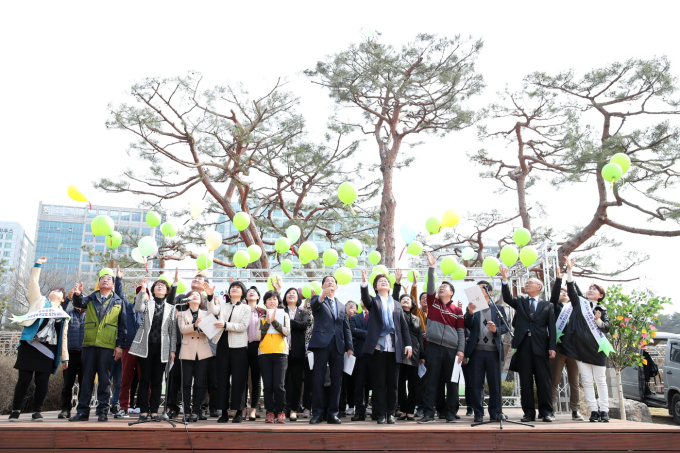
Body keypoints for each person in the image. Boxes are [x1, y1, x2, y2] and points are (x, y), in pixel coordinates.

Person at [9, 257, 69, 422]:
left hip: (48, 350)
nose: (56, 290)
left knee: (42, 381)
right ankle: (15, 410)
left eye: (60, 291)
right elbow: (33, 283)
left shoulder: (63, 315)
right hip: (30, 345)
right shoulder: (39, 301)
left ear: (63, 299)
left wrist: (65, 357)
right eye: (54, 288)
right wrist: (38, 265)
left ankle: (37, 411)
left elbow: (63, 337)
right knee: (24, 379)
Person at [500, 266, 556, 423]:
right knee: (525, 381)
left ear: (539, 287)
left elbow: (551, 327)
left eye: (530, 282)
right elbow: (508, 298)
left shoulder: (547, 305)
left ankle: (546, 412)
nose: (527, 284)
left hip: (541, 346)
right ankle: (529, 413)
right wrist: (505, 281)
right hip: (523, 345)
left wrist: (552, 346)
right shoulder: (521, 302)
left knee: (543, 380)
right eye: (526, 282)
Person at [69, 271, 127, 422]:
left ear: (113, 285)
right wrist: (77, 294)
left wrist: (119, 345)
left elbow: (123, 326)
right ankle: (82, 411)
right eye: (103, 279)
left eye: (109, 279)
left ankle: (102, 411)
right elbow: (78, 303)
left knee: (105, 379)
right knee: (86, 379)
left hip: (107, 345)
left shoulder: (118, 301)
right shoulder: (90, 298)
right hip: (89, 344)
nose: (105, 280)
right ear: (99, 283)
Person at [417, 253, 465, 424]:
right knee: (431, 383)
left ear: (451, 292)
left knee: (452, 383)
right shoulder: (433, 303)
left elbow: (461, 332)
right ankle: (429, 413)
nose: (441, 287)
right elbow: (430, 286)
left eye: (445, 286)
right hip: (434, 347)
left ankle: (450, 413)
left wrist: (461, 350)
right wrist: (431, 267)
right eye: (441, 286)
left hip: (452, 350)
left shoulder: (458, 311)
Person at [359, 270, 412, 424]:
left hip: (394, 348)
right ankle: (380, 414)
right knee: (379, 383)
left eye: (386, 281)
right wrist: (363, 282)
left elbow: (403, 327)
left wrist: (408, 344)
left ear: (389, 286)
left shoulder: (396, 304)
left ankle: (391, 413)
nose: (384, 282)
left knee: (393, 384)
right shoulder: (373, 302)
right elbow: (365, 298)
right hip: (378, 349)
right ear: (375, 287)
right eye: (380, 281)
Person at [562, 258, 611, 422]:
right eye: (589, 288)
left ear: (601, 295)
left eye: (595, 289)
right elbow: (570, 288)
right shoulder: (579, 303)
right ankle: (593, 411)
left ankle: (604, 411)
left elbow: (607, 328)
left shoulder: (602, 309)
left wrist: (597, 319)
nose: (591, 290)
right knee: (587, 382)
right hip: (580, 350)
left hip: (597, 349)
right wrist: (569, 271)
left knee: (601, 381)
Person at [130, 273, 178, 421]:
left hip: (162, 348)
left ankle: (155, 411)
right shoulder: (148, 303)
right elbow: (138, 307)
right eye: (157, 285)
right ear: (154, 289)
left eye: (163, 285)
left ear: (167, 291)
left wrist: (172, 350)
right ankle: (143, 411)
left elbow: (172, 331)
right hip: (146, 346)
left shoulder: (171, 308)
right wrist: (143, 290)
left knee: (157, 381)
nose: (160, 286)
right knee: (145, 380)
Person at [307, 275, 354, 424]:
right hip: (321, 343)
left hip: (338, 345)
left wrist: (350, 347)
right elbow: (314, 307)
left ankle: (333, 413)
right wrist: (322, 295)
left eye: (333, 281)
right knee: (318, 379)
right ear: (322, 286)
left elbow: (346, 328)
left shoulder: (341, 305)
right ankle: (317, 413)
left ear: (337, 287)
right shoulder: (316, 299)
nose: (330, 283)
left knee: (336, 380)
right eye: (327, 281)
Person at [167, 274, 213, 419]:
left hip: (203, 349)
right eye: (194, 278)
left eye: (199, 279)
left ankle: (198, 409)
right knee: (180, 381)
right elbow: (170, 304)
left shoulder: (208, 305)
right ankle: (177, 408)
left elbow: (213, 323)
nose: (195, 280)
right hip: (184, 346)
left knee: (201, 382)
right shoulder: (181, 301)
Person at [463, 280, 509, 423]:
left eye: (481, 289)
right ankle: (478, 413)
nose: (478, 291)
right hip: (476, 352)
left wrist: (496, 330)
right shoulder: (473, 307)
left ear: (489, 292)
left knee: (495, 384)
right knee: (476, 384)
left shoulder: (499, 309)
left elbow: (506, 328)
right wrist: (469, 313)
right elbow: (467, 325)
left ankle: (495, 412)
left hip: (493, 351)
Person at [209, 280, 250, 423]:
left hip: (239, 347)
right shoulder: (222, 305)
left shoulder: (246, 308)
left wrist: (226, 324)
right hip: (222, 345)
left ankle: (239, 411)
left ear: (243, 293)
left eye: (238, 288)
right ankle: (224, 412)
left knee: (239, 380)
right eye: (233, 287)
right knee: (221, 379)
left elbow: (243, 326)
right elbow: (212, 311)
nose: (235, 289)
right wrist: (209, 297)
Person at [549, 266, 584, 421]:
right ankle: (551, 410)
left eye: (566, 291)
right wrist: (558, 280)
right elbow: (554, 296)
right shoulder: (553, 307)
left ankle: (575, 410)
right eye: (561, 291)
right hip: (558, 348)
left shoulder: (575, 308)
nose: (564, 293)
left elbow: (581, 298)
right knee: (554, 381)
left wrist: (573, 283)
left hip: (574, 350)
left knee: (574, 382)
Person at [178, 290, 213, 422]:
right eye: (192, 295)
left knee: (200, 383)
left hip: (203, 351)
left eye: (198, 295)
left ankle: (196, 411)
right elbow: (182, 329)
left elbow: (210, 331)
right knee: (186, 383)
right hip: (187, 351)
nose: (195, 296)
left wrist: (202, 326)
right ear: (187, 299)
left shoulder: (206, 314)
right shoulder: (181, 313)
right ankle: (186, 411)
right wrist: (195, 325)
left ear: (201, 300)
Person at [257, 290, 291, 423]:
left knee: (279, 385)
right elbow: (258, 336)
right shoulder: (261, 318)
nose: (272, 301)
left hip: (280, 353)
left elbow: (286, 332)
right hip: (264, 353)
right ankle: (270, 412)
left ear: (278, 302)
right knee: (268, 385)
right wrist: (267, 322)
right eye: (269, 299)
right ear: (265, 302)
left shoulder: (284, 316)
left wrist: (274, 322)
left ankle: (281, 411)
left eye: (275, 299)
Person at [115, 277, 144, 419]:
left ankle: (146, 407)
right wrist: (118, 279)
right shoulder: (128, 307)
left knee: (145, 379)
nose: (140, 295)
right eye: (138, 293)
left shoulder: (149, 311)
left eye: (144, 293)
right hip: (128, 346)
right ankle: (124, 407)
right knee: (125, 379)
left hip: (144, 349)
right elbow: (119, 295)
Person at [395, 291, 426, 421]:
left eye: (408, 299)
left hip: (414, 353)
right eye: (403, 299)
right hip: (399, 351)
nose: (405, 300)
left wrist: (422, 356)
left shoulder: (417, 319)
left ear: (412, 303)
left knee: (413, 385)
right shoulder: (395, 316)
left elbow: (420, 338)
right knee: (400, 384)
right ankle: (402, 410)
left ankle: (410, 411)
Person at [281, 283, 309, 422]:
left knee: (297, 382)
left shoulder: (303, 312)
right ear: (285, 298)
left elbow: (303, 325)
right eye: (288, 293)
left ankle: (293, 409)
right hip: (282, 351)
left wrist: (287, 322)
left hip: (297, 352)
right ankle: (284, 409)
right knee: (284, 382)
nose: (291, 294)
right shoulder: (281, 311)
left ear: (298, 298)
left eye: (294, 293)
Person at [59, 289, 85, 419]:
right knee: (67, 383)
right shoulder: (69, 313)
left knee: (84, 383)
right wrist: (68, 299)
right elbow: (60, 312)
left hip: (85, 354)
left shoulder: (90, 314)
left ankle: (81, 409)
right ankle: (65, 409)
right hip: (70, 354)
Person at [349, 300, 371, 421]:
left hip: (374, 353)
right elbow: (352, 330)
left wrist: (362, 332)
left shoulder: (375, 315)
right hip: (359, 353)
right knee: (359, 384)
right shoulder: (355, 317)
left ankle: (377, 411)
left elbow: (378, 331)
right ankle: (359, 411)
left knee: (376, 383)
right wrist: (369, 334)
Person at [339, 300, 358, 417]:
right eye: (348, 304)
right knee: (344, 381)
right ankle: (343, 406)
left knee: (355, 381)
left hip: (356, 353)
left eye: (353, 305)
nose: (351, 306)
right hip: (342, 352)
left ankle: (354, 405)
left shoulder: (359, 318)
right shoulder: (341, 318)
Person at [301, 296, 315, 418]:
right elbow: (308, 317)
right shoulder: (304, 317)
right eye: (307, 306)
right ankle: (307, 407)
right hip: (307, 353)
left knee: (321, 380)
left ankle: (317, 406)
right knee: (308, 381)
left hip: (319, 351)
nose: (308, 308)